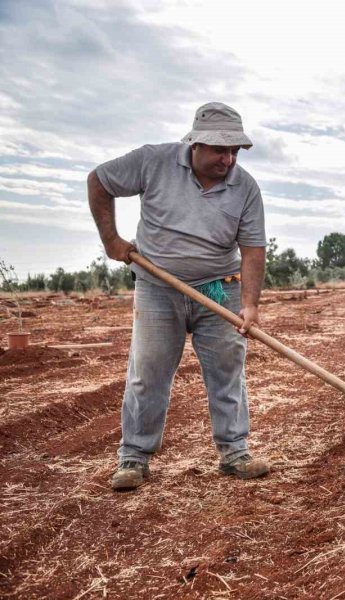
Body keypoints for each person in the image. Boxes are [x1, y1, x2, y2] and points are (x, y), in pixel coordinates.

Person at [87, 102, 270, 490]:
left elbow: (253, 249)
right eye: (221, 150)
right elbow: (99, 181)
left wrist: (250, 304)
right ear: (195, 144)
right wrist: (112, 241)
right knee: (148, 372)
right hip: (157, 286)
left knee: (227, 371)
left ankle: (234, 451)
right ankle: (133, 458)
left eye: (235, 150)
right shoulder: (153, 161)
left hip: (221, 287)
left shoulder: (245, 187)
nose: (229, 158)